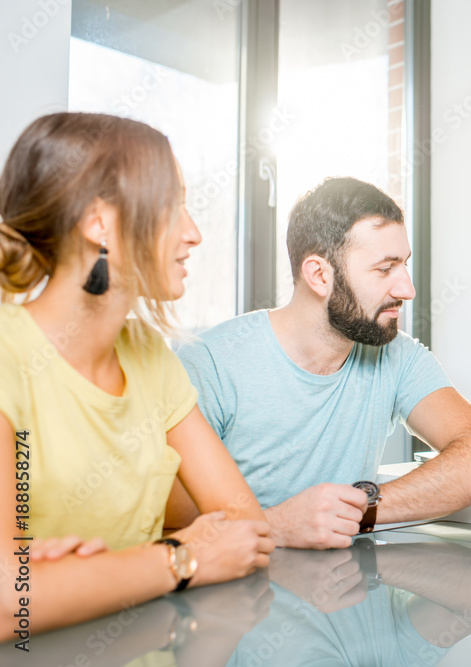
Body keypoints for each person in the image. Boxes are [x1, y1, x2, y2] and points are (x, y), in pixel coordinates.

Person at [0, 112, 274, 639]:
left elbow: (246, 529)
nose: (193, 233)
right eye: (171, 206)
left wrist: (77, 578)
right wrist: (178, 560)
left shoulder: (149, 353)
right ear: (100, 223)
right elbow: (13, 602)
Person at [175, 177, 471, 549]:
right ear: (319, 275)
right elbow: (165, 517)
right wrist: (281, 525)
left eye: (403, 265)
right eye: (385, 269)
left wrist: (358, 509)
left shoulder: (396, 354)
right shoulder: (211, 362)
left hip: (346, 590)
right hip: (236, 594)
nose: (407, 290)